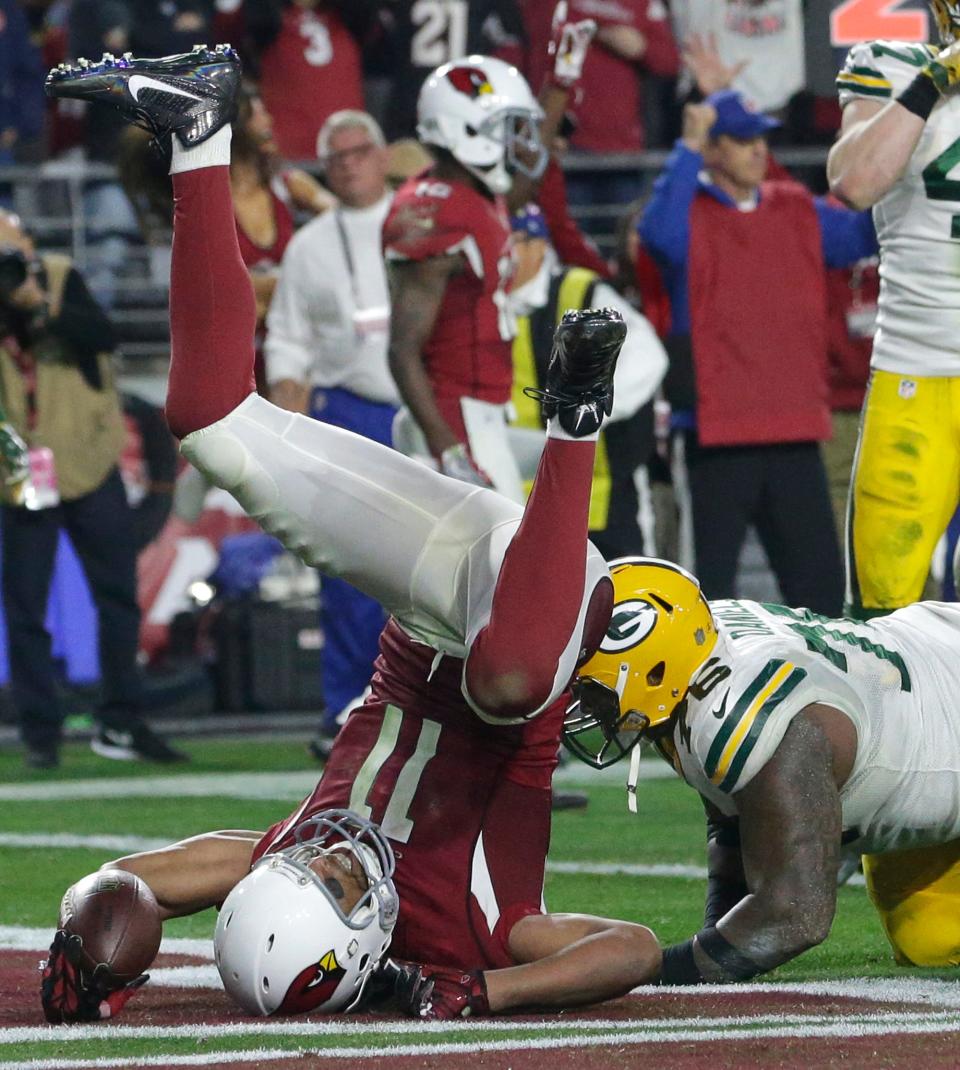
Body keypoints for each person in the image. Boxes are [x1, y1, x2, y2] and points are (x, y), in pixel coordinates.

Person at [42, 42, 661, 1024]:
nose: (333, 855)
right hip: (548, 598)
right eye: (339, 887)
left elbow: (127, 875)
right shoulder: (466, 927)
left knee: (208, 418)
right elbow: (630, 945)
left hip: (441, 584)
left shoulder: (292, 852)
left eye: (309, 866)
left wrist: (89, 930)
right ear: (365, 944)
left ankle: (197, 129)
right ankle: (575, 413)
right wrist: (486, 987)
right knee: (505, 680)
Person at [639, 89, 877, 616]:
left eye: (760, 139)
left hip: (795, 431)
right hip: (717, 434)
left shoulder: (795, 206)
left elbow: (863, 235)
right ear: (714, 149)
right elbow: (657, 236)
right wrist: (688, 144)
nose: (756, 150)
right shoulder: (689, 213)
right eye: (742, 140)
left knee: (820, 598)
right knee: (704, 600)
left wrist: (890, 159)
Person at [0, 210, 185, 768]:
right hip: (20, 470)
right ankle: (40, 734)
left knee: (117, 596)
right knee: (26, 607)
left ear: (28, 240)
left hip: (88, 458)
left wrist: (41, 306)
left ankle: (123, 719)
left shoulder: (60, 277)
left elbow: (102, 335)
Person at [385, 14, 595, 501]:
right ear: (468, 129)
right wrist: (449, 449)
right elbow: (402, 349)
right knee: (509, 568)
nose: (517, 140)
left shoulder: (470, 195)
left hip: (478, 411)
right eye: (506, 127)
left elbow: (521, 187)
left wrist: (560, 81)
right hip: (456, 415)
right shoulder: (439, 212)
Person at [265, 109, 397, 756]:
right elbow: (287, 336)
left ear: (382, 155)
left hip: (427, 409)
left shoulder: (422, 219)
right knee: (346, 569)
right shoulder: (310, 245)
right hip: (349, 409)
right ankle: (345, 705)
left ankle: (455, 710)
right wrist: (287, 401)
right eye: (335, 155)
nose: (348, 163)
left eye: (358, 150)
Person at [827, 1, 960, 618]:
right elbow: (854, 181)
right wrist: (935, 81)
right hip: (919, 375)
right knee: (883, 615)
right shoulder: (896, 64)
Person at [508, 203, 668, 560]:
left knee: (621, 598)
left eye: (514, 241)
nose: (504, 254)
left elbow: (647, 357)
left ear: (539, 246)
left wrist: (586, 413)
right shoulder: (477, 300)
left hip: (600, 495)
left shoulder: (578, 292)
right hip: (510, 498)